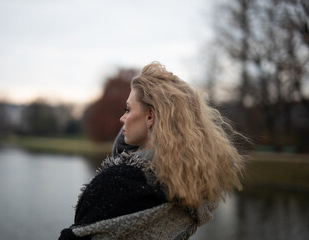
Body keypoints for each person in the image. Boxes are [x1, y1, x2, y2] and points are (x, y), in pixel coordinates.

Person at [58, 62, 246, 240]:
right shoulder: (192, 188)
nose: (122, 118)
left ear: (150, 117)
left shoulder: (116, 183)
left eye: (128, 109)